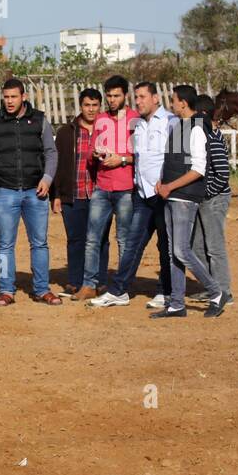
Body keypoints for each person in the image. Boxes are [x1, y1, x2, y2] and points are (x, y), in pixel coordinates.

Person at [0, 78, 61, 306]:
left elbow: (51, 152)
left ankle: (42, 289)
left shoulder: (40, 120)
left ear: (24, 97)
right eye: (6, 97)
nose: (9, 101)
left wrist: (48, 179)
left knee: (39, 243)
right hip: (4, 191)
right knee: (4, 244)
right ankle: (5, 290)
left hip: (35, 191)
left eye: (13, 97)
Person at [89, 82, 172, 309]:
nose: (139, 101)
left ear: (156, 98)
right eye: (137, 97)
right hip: (142, 194)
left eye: (143, 97)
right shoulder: (140, 124)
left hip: (163, 194)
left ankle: (166, 291)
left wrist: (170, 185)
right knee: (133, 243)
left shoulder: (170, 122)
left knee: (165, 245)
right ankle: (119, 291)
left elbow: (179, 158)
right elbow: (139, 157)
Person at [153, 85, 225, 318]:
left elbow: (198, 169)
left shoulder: (195, 129)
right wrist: (161, 183)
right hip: (173, 195)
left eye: (173, 100)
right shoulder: (181, 126)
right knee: (176, 252)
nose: (171, 104)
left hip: (184, 196)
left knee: (181, 250)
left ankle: (216, 292)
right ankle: (176, 303)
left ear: (183, 103)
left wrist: (169, 186)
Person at [74, 75, 137, 301]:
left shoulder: (135, 120)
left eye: (116, 95)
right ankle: (89, 285)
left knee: (124, 239)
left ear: (125, 96)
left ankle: (123, 286)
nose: (112, 99)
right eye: (109, 95)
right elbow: (91, 153)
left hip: (126, 188)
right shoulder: (100, 120)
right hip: (102, 186)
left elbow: (143, 156)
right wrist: (96, 154)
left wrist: (121, 159)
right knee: (93, 238)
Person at [49, 88, 108, 295]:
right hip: (73, 194)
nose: (91, 110)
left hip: (101, 194)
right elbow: (57, 165)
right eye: (86, 105)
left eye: (94, 105)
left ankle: (99, 281)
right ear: (80, 106)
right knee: (75, 239)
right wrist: (56, 195)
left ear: (100, 106)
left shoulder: (108, 130)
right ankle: (75, 280)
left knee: (100, 239)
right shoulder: (67, 132)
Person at [189, 93, 233, 306]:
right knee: (196, 246)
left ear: (202, 113)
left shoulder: (212, 135)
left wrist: (208, 192)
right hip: (205, 196)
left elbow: (223, 172)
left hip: (214, 197)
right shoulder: (206, 133)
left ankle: (224, 291)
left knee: (214, 246)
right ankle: (213, 288)